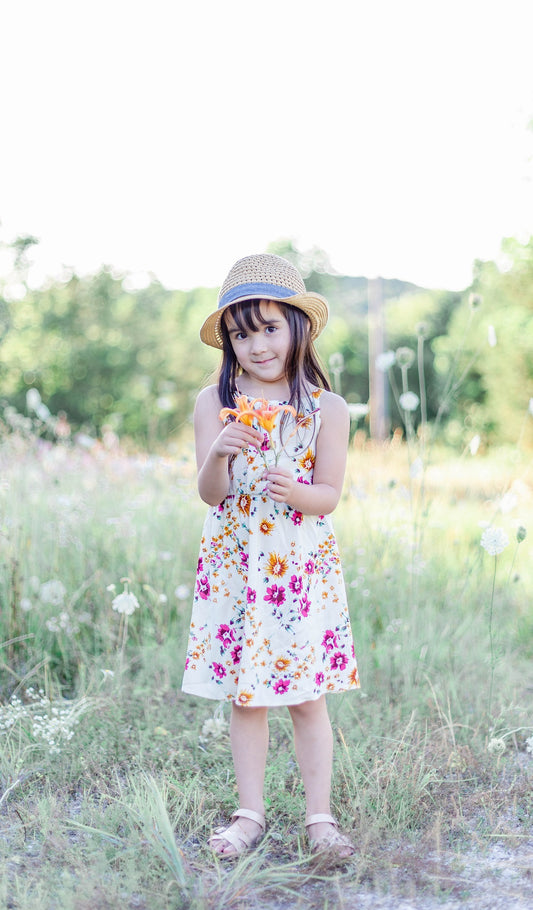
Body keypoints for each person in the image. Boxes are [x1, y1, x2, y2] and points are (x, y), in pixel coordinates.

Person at [182, 253, 360, 859]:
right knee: (247, 695)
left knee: (308, 695)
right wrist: (219, 455)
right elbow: (210, 493)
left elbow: (330, 495)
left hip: (298, 573)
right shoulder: (215, 401)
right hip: (238, 568)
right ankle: (249, 813)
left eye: (268, 328)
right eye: (241, 333)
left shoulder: (326, 409)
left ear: (296, 328)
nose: (255, 345)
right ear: (228, 343)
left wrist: (298, 492)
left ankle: (320, 819)